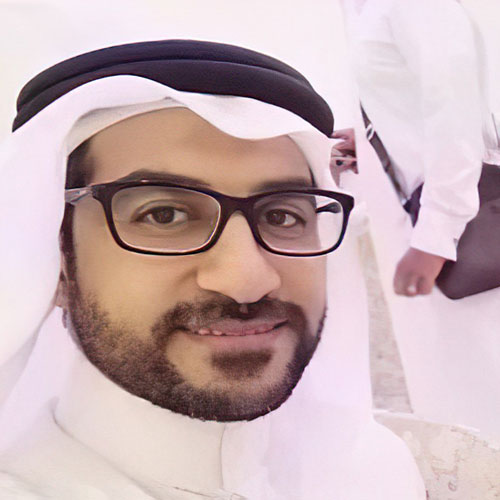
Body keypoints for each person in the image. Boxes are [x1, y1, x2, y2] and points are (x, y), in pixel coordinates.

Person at [0, 40, 425, 499]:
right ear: (56, 260)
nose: (247, 280)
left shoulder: (379, 472)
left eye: (282, 216)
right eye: (164, 215)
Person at [339, 0, 500, 442]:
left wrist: (434, 237)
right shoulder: (361, 11)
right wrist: (368, 143)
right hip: (425, 231)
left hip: (455, 238)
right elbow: (411, 105)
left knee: (480, 389)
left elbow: (458, 114)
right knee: (453, 391)